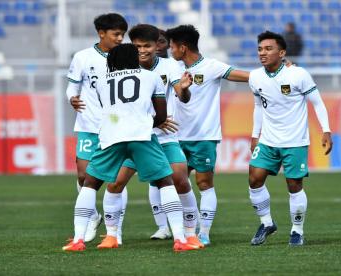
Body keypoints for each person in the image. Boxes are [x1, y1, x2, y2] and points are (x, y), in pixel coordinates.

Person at [62, 44, 200, 252]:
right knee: (165, 182)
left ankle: (78, 240)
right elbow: (161, 116)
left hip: (111, 137)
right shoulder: (151, 77)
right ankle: (180, 239)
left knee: (90, 184)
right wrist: (144, 124)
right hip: (142, 137)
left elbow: (110, 110)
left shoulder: (102, 82)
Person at [103, 24, 203, 248]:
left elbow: (181, 95)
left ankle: (190, 233)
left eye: (146, 45)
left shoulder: (169, 66)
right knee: (115, 183)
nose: (142, 50)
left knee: (180, 179)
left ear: (158, 46)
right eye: (137, 46)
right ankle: (113, 234)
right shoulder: (126, 67)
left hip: (164, 137)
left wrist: (185, 89)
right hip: (135, 137)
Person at [165, 25, 250, 245]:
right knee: (176, 183)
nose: (169, 50)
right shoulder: (174, 69)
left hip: (203, 137)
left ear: (183, 47)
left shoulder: (212, 67)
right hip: (176, 137)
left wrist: (276, 73)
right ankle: (185, 229)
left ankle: (204, 232)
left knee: (204, 183)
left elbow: (246, 76)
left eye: (172, 46)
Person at [248, 31, 332, 246]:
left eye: (268, 49)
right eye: (260, 49)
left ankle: (297, 230)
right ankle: (267, 223)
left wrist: (326, 130)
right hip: (268, 140)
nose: (263, 53)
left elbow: (318, 103)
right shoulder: (255, 76)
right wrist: (255, 135)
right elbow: (258, 106)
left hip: (295, 141)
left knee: (294, 185)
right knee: (254, 179)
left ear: (282, 52)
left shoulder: (298, 74)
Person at [65, 13, 128, 243]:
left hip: (116, 127)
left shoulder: (127, 57)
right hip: (89, 125)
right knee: (84, 176)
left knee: (116, 180)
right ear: (102, 33)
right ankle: (92, 216)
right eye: (116, 34)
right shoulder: (82, 57)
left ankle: (116, 230)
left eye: (123, 34)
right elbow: (71, 88)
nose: (120, 38)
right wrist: (72, 98)